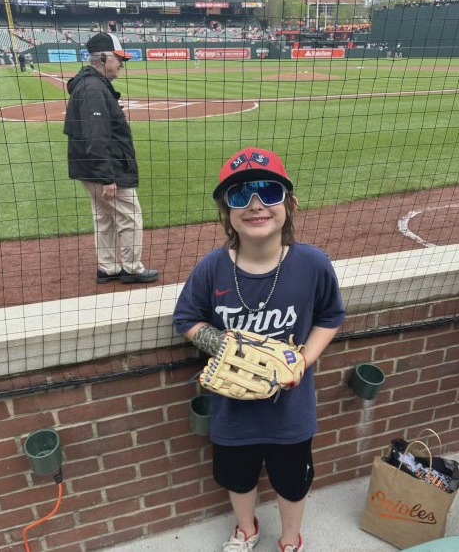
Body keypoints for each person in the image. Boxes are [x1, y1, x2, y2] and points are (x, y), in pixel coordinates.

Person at [173, 148, 346, 552]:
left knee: (292, 480)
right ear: (226, 211)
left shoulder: (312, 264)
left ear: (290, 202)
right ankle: (246, 530)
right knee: (238, 477)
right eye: (239, 195)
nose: (255, 205)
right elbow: (186, 319)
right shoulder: (212, 268)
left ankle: (289, 539)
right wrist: (227, 346)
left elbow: (331, 315)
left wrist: (302, 360)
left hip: (291, 409)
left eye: (269, 191)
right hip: (233, 410)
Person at [63, 32, 160, 284]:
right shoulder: (93, 88)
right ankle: (131, 268)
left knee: (104, 217)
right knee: (130, 216)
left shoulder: (90, 85)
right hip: (104, 169)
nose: (121, 65)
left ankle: (108, 267)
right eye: (118, 59)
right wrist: (107, 177)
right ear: (103, 58)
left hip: (88, 167)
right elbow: (96, 136)